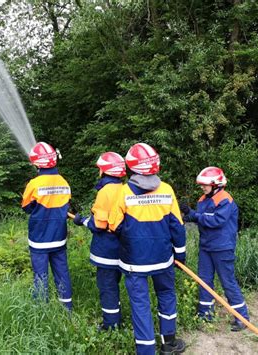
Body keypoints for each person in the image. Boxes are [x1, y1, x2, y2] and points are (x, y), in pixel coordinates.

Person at [108, 143, 186, 355]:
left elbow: (114, 225)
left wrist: (132, 235)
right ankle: (168, 343)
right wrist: (180, 253)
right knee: (167, 295)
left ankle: (146, 351)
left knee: (140, 305)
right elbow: (177, 226)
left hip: (134, 263)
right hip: (163, 259)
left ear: (131, 166)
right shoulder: (167, 190)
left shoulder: (124, 192)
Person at [180, 166, 249, 331]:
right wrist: (186, 214)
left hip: (222, 248)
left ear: (216, 184)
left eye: (205, 184)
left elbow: (216, 220)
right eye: (201, 185)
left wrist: (194, 215)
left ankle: (242, 318)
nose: (202, 187)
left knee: (227, 281)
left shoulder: (225, 199)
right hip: (206, 247)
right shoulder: (203, 199)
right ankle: (205, 314)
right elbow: (201, 218)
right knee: (204, 281)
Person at [72, 152, 125, 330]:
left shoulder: (105, 192)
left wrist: (83, 221)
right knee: (115, 283)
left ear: (104, 171)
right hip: (124, 249)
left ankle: (111, 325)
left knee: (107, 286)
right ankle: (117, 317)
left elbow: (99, 225)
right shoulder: (126, 188)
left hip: (107, 249)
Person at [21, 142, 73, 311]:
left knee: (40, 275)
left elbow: (27, 208)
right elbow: (66, 205)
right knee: (62, 273)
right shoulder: (64, 182)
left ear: (36, 163)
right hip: (59, 237)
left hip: (39, 239)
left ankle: (41, 310)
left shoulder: (34, 184)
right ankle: (66, 308)